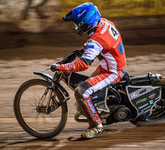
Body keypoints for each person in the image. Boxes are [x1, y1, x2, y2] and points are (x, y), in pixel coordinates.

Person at [50, 2, 127, 138]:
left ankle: (96, 125)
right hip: (111, 65)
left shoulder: (95, 40)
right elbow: (102, 45)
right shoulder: (104, 23)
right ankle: (99, 108)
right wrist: (80, 51)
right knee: (90, 86)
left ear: (85, 22)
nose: (76, 26)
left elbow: (84, 64)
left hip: (112, 72)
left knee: (82, 91)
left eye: (77, 23)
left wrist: (61, 67)